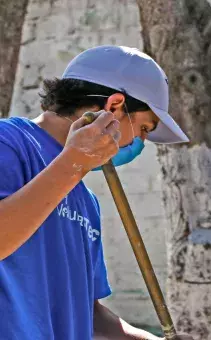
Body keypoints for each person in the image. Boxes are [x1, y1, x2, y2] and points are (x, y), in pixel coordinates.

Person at [0, 45, 192, 340]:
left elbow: (88, 316)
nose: (141, 142)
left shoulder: (87, 203)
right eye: (143, 128)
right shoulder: (8, 141)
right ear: (115, 106)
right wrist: (74, 162)